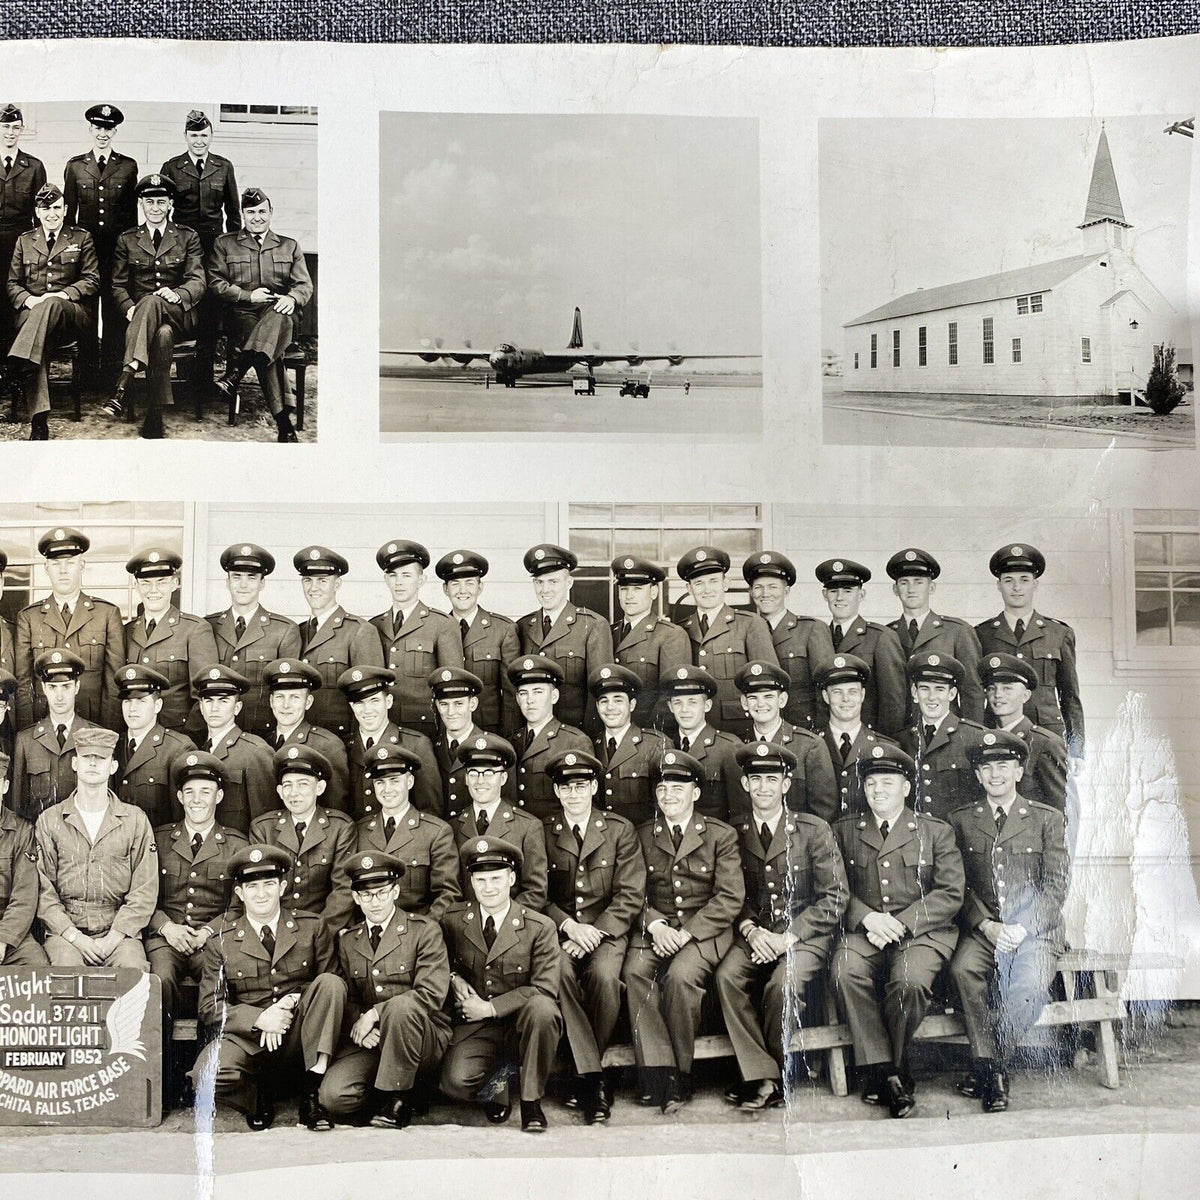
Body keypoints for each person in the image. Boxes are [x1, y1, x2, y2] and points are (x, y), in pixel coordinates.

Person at [830, 745, 964, 1119]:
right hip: (865, 931)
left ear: (906, 787)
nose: (878, 790)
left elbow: (950, 893)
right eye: (871, 783)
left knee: (909, 982)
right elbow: (837, 889)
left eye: (887, 782)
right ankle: (886, 1071)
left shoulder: (935, 832)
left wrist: (902, 922)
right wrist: (868, 918)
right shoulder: (843, 831)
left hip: (922, 932)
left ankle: (891, 1069)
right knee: (845, 971)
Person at [715, 741, 848, 1110]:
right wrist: (751, 930)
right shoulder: (733, 832)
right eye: (755, 779)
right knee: (727, 977)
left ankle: (769, 1075)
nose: (763, 788)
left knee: (781, 985)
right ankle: (763, 1076)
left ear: (786, 785)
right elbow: (731, 895)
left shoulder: (813, 829)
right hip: (755, 935)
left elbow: (835, 896)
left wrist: (788, 936)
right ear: (744, 785)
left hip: (804, 935)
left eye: (771, 779)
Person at [948, 730, 1069, 1113]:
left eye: (1003, 765)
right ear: (979, 775)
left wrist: (1024, 927)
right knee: (964, 970)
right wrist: (987, 926)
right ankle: (993, 1069)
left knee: (1030, 985)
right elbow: (958, 886)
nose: (995, 774)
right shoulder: (962, 820)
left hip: (1036, 931)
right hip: (986, 931)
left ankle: (991, 1066)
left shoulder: (1046, 819)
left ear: (1018, 771)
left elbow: (1056, 884)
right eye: (987, 767)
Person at [622, 748, 744, 1111]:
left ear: (696, 792)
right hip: (657, 929)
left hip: (704, 931)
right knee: (634, 972)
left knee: (680, 977)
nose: (669, 796)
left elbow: (729, 898)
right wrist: (656, 924)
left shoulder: (720, 834)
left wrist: (687, 933)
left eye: (678, 788)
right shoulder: (642, 834)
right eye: (662, 790)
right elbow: (631, 891)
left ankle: (681, 1073)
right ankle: (657, 1072)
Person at [193, 843, 346, 1131]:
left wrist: (291, 999)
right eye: (252, 887)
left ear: (283, 887)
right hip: (250, 1040)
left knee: (330, 984)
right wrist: (259, 1018)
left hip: (299, 1033)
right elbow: (209, 1007)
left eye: (269, 884)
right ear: (239, 893)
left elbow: (333, 985)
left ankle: (311, 1093)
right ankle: (257, 1095)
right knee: (207, 1074)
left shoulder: (312, 927)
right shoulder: (220, 940)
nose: (261, 894)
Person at [542, 749, 646, 1124]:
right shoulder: (544, 831)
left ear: (594, 787)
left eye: (581, 786)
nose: (573, 794)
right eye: (565, 787)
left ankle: (581, 1070)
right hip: (563, 933)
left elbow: (630, 895)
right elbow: (537, 895)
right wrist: (569, 927)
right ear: (556, 792)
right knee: (558, 972)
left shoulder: (619, 830)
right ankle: (593, 1078)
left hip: (608, 933)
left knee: (604, 978)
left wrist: (594, 932)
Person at [319, 851, 452, 1128]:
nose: (374, 902)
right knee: (334, 1098)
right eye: (366, 895)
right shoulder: (348, 941)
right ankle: (399, 1091)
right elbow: (349, 997)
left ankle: (399, 1099)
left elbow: (430, 994)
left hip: (421, 1036)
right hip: (374, 1039)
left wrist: (376, 1014)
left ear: (395, 891)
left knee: (401, 1006)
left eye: (381, 892)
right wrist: (360, 1022)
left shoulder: (423, 931)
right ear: (355, 898)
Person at [439, 835, 562, 1133]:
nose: (489, 888)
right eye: (480, 880)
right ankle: (501, 1082)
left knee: (544, 1009)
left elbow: (544, 988)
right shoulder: (454, 919)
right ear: (471, 881)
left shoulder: (539, 926)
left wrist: (491, 1007)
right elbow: (436, 962)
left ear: (512, 878)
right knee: (454, 1083)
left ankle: (531, 1102)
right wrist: (453, 978)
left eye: (496, 878)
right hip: (478, 1027)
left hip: (522, 1021)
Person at [146, 751, 248, 1062]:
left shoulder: (236, 844)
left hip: (213, 940)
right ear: (179, 796)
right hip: (166, 937)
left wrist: (208, 931)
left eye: (205, 791)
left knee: (216, 973)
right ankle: (163, 1071)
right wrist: (166, 927)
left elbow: (238, 906)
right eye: (189, 792)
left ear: (218, 795)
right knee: (158, 979)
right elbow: (141, 894)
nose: (196, 799)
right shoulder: (159, 838)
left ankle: (210, 1066)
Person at [34, 725, 158, 968]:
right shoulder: (50, 820)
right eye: (86, 757)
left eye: (100, 758)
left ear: (112, 766)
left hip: (118, 931)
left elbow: (144, 890)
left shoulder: (134, 820)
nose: (93, 764)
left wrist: (114, 938)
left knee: (133, 974)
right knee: (67, 975)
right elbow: (42, 889)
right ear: (75, 763)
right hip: (66, 933)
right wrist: (74, 937)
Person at [105, 173, 206, 437]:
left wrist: (180, 294)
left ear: (170, 204)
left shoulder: (187, 236)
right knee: (161, 335)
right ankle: (155, 413)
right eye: (150, 203)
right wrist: (128, 307)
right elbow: (117, 285)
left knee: (150, 301)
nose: (156, 208)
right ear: (141, 204)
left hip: (180, 314)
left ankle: (125, 381)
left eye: (161, 202)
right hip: (145, 321)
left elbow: (198, 279)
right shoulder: (127, 239)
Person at [209, 186, 312, 441]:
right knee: (268, 348)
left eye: (262, 211)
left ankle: (237, 373)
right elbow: (215, 282)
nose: (257, 217)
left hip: (280, 311)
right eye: (251, 211)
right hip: (243, 312)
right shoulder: (225, 244)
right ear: (243, 214)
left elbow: (304, 285)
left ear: (271, 212)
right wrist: (247, 295)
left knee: (277, 318)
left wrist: (292, 298)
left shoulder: (289, 246)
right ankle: (283, 422)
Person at [975, 544, 1084, 768]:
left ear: (1035, 584)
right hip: (998, 731)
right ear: (999, 585)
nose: (1017, 588)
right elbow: (975, 694)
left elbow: (1070, 696)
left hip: (1048, 735)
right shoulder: (982, 634)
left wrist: (1076, 750)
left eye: (1024, 580)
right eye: (1009, 581)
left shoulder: (1058, 633)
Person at [6, 182, 98, 440]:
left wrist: (60, 295)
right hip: (33, 314)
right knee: (39, 341)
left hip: (70, 312)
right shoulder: (25, 241)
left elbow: (92, 280)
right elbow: (12, 284)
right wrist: (28, 300)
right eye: (45, 208)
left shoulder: (81, 238)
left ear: (66, 209)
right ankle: (39, 420)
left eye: (57, 208)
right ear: (37, 211)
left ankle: (15, 362)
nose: (52, 214)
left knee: (51, 303)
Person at [159, 110, 240, 400]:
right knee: (182, 304)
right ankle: (178, 376)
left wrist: (232, 251)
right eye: (194, 135)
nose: (199, 141)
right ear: (185, 137)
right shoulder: (172, 167)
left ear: (211, 137)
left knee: (209, 311)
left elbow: (233, 214)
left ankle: (203, 379)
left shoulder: (223, 166)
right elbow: (162, 210)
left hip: (213, 247)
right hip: (180, 248)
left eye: (204, 135)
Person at [14, 526, 124, 729]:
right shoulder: (28, 618)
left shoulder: (107, 614)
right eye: (55, 564)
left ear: (82, 565)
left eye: (70, 563)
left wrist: (108, 736)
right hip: (44, 727)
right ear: (46, 568)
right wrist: (27, 737)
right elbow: (23, 685)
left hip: (93, 726)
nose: (63, 570)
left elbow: (114, 686)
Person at [337, 743, 461, 922]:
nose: (387, 790)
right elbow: (348, 892)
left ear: (409, 782)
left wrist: (423, 934)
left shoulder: (436, 832)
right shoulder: (359, 830)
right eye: (380, 782)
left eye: (395, 781)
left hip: (418, 935)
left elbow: (447, 895)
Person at [62, 103, 138, 386]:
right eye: (98, 128)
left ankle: (111, 372)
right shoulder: (75, 166)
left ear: (115, 130)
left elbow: (131, 217)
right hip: (86, 251)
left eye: (108, 128)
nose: (102, 133)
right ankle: (87, 371)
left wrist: (129, 251)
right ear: (90, 129)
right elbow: (69, 215)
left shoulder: (128, 166)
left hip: (117, 251)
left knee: (115, 309)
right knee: (88, 308)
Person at [675, 545, 778, 738]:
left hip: (738, 727)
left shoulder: (750, 624)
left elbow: (768, 683)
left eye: (713, 581)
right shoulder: (680, 629)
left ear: (726, 583)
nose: (707, 590)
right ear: (689, 588)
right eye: (698, 583)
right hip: (695, 729)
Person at [247, 745, 354, 925]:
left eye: (303, 784)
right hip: (275, 928)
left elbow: (343, 890)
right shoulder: (263, 828)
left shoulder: (340, 827)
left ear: (319, 788)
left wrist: (319, 932)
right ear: (280, 792)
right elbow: (259, 890)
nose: (293, 793)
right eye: (287, 785)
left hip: (322, 928)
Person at [369, 539, 463, 738]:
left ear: (421, 580)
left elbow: (451, 687)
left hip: (424, 728)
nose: (399, 582)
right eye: (393, 576)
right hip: (381, 725)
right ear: (386, 580)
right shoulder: (373, 626)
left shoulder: (442, 624)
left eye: (406, 575)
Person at [206, 543, 302, 738]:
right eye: (237, 577)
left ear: (262, 583)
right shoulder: (208, 626)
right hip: (216, 734)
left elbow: (287, 691)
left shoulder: (283, 630)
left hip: (262, 735)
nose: (243, 585)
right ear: (227, 582)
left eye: (251, 578)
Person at [516, 543, 613, 734]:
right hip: (534, 735)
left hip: (575, 735)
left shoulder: (592, 625)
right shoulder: (522, 626)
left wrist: (590, 739)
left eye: (553, 582)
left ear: (568, 583)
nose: (545, 590)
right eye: (539, 582)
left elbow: (598, 692)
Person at [294, 546, 385, 741]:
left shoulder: (359, 630)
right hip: (301, 738)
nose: (313, 588)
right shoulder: (296, 632)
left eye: (323, 581)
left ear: (337, 584)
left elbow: (371, 698)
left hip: (341, 740)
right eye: (307, 580)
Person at [450, 733, 548, 913]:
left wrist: (502, 921)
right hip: (464, 927)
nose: (480, 781)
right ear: (465, 778)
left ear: (503, 778)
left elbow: (535, 891)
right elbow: (451, 889)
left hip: (512, 931)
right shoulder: (453, 827)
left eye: (489, 774)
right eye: (473, 774)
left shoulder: (528, 826)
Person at [123, 547, 219, 731]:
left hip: (179, 735)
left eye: (161, 582)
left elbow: (204, 694)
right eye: (146, 583)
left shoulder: (195, 629)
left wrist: (188, 739)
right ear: (136, 586)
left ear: (175, 584)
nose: (153, 590)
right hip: (136, 735)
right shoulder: (127, 632)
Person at [886, 548, 983, 723]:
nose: (911, 589)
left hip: (946, 734)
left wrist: (972, 737)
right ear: (895, 589)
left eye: (918, 582)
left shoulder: (958, 631)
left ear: (931, 587)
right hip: (899, 734)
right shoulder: (886, 634)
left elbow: (972, 693)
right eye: (904, 582)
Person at [733, 660, 837, 821]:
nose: (761, 704)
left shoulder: (809, 746)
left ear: (782, 700)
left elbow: (824, 812)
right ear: (744, 703)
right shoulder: (736, 744)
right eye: (753, 698)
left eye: (768, 696)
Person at [742, 550, 835, 730]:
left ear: (786, 591)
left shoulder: (811, 629)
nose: (765, 593)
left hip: (803, 728)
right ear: (751, 592)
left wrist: (821, 732)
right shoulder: (743, 630)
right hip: (759, 728)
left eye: (773, 587)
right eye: (758, 587)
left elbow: (825, 688)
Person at [815, 557, 907, 737]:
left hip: (869, 738)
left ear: (861, 595)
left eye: (848, 591)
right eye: (833, 591)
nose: (839, 598)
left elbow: (894, 702)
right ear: (825, 595)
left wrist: (885, 745)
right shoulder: (818, 636)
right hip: (828, 740)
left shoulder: (881, 637)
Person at [434, 550, 520, 734]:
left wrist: (508, 737)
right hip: (447, 730)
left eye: (470, 583)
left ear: (480, 587)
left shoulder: (503, 630)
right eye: (455, 584)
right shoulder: (435, 627)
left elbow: (511, 695)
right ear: (445, 589)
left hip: (489, 729)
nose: (462, 591)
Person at [340, 666, 442, 819]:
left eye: (374, 701)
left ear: (388, 701)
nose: (367, 710)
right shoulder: (344, 747)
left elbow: (430, 811)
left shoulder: (416, 745)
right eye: (359, 703)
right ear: (351, 706)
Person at [11, 650, 100, 821]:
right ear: (44, 688)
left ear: (77, 687)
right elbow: (17, 807)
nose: (59, 696)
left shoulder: (94, 736)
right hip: (38, 839)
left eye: (66, 686)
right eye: (52, 687)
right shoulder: (26, 740)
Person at [898, 651, 987, 821]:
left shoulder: (974, 737)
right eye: (925, 689)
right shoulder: (901, 740)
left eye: (940, 689)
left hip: (957, 837)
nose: (932, 697)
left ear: (952, 694)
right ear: (915, 693)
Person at [609, 554, 690, 733]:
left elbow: (671, 695)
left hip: (648, 734)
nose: (629, 596)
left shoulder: (670, 635)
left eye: (637, 589)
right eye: (623, 589)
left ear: (653, 592)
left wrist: (650, 736)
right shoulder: (608, 632)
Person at [978, 653, 1068, 812]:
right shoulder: (980, 740)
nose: (998, 695)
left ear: (1025, 696)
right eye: (992, 688)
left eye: (1007, 688)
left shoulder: (1045, 744)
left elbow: (1063, 811)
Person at [192, 665, 274, 834]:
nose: (214, 708)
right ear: (201, 707)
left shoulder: (255, 752)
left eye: (223, 701)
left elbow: (265, 822)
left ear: (237, 708)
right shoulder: (195, 751)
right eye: (208, 701)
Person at [508, 655, 591, 821]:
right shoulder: (511, 741)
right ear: (517, 699)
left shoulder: (574, 741)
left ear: (554, 696)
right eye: (523, 693)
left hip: (555, 836)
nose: (530, 700)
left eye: (538, 692)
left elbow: (583, 804)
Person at [115, 664, 198, 827]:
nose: (132, 708)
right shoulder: (113, 745)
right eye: (127, 701)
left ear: (158, 705)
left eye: (141, 700)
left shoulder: (177, 749)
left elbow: (183, 817)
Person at [817, 654, 899, 818]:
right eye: (837, 692)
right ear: (826, 697)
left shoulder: (886, 747)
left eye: (852, 692)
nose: (846, 699)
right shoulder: (810, 745)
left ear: (862, 695)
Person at [658, 664, 743, 821]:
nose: (684, 709)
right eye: (678, 702)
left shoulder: (728, 747)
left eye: (692, 702)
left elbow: (740, 813)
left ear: (707, 705)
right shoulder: (661, 745)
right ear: (670, 706)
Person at [263, 658, 349, 813]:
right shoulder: (263, 743)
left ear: (308, 702)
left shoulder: (327, 745)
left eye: (295, 697)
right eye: (280, 697)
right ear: (271, 701)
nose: (286, 705)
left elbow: (335, 811)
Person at [589, 663, 669, 827]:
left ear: (632, 704)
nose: (610, 707)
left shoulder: (655, 744)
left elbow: (665, 804)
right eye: (604, 701)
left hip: (642, 837)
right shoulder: (591, 745)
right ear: (597, 706)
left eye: (618, 700)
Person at [0, 103, 46, 351]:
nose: (10, 132)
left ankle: (14, 368)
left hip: (22, 245)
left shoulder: (34, 166)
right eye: (5, 126)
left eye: (15, 127)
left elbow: (41, 215)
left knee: (17, 301)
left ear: (22, 130)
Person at [0, 753, 47, 965]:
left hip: (10, 930)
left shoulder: (22, 831)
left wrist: (3, 939)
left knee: (37, 966)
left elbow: (24, 894)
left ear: (5, 786)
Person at [428, 667, 488, 819]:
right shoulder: (430, 748)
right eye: (444, 704)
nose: (450, 712)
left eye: (459, 704)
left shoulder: (492, 748)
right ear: (436, 705)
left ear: (472, 704)